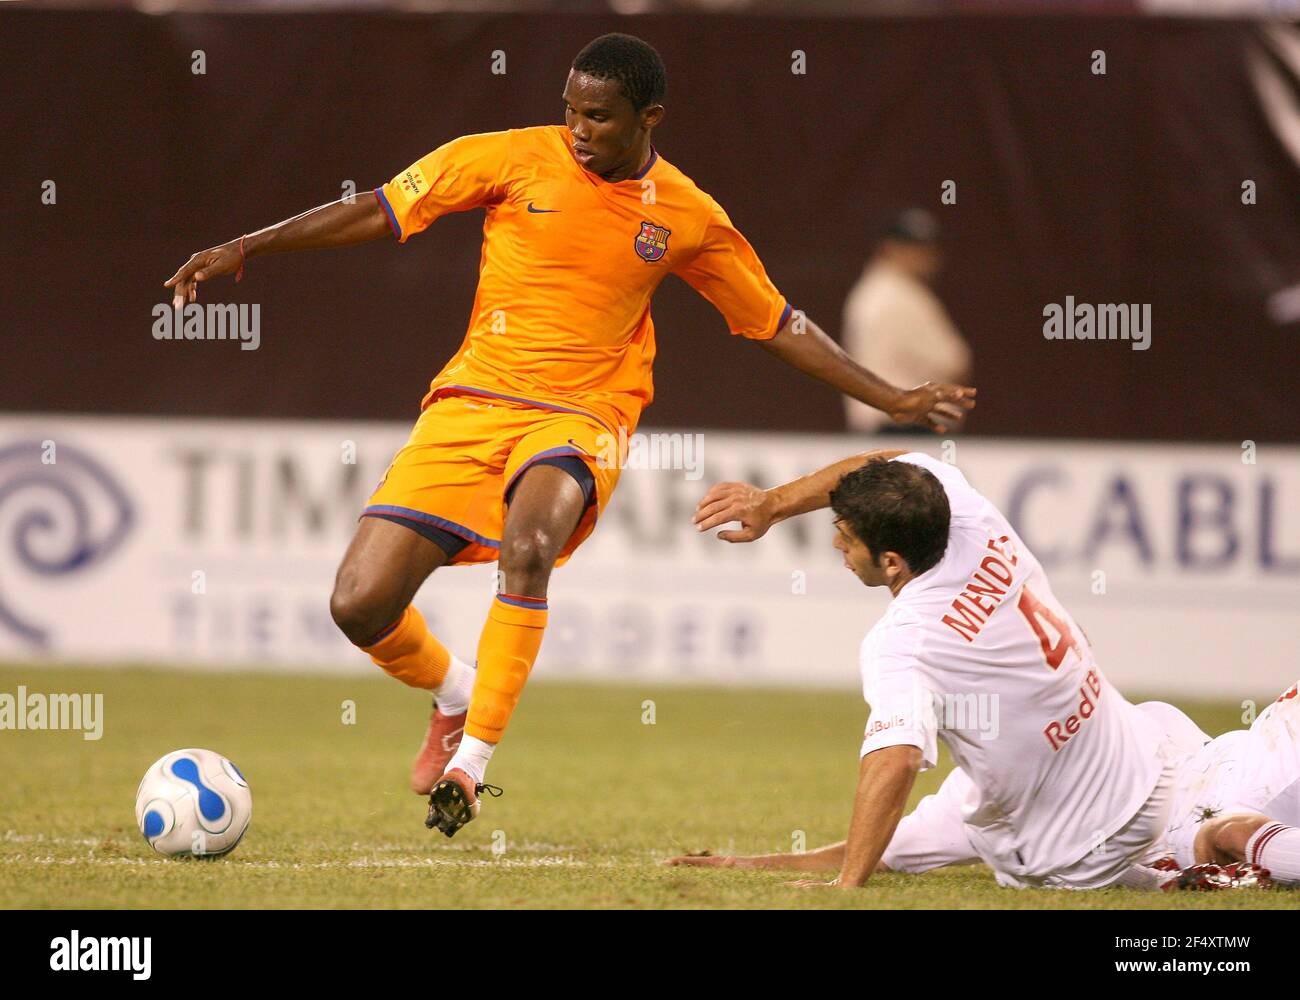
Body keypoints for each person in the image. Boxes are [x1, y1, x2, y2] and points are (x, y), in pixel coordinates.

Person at [163, 34, 975, 837]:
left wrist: (893, 394)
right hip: (470, 402)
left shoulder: (688, 217)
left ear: (648, 117)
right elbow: (378, 208)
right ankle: (453, 696)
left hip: (585, 414)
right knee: (359, 605)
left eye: (599, 115)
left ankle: (470, 764)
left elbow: (776, 323)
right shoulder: (509, 158)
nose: (579, 129)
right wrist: (245, 246)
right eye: (570, 111)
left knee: (529, 546)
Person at [672, 448, 1177, 889]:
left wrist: (847, 888)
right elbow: (890, 460)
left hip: (1079, 839)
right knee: (923, 827)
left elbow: (898, 761)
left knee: (1004, 847)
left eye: (846, 538)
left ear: (891, 562)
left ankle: (1170, 872)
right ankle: (748, 864)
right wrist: (774, 503)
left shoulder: (905, 639)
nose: (836, 547)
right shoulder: (959, 508)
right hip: (1127, 754)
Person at [841, 210, 972, 434]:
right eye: (912, 247)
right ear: (889, 247)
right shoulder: (894, 295)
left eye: (926, 248)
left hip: (892, 424)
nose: (924, 256)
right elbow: (954, 363)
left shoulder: (877, 290)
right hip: (903, 426)